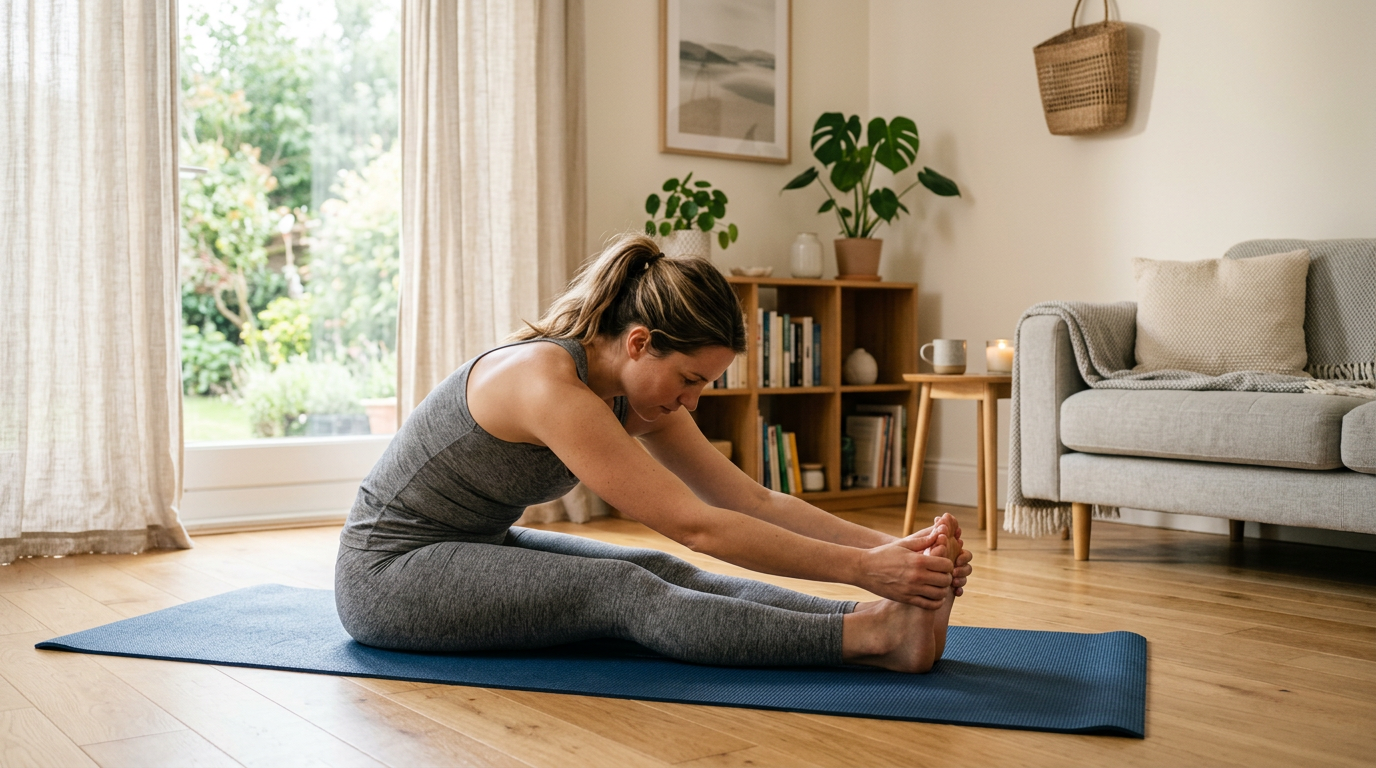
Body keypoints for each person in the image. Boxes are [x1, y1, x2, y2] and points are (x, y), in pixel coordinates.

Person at [335, 233, 974, 672]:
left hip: (471, 546)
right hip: (388, 576)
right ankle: (870, 637)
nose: (694, 401)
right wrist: (865, 567)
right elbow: (696, 525)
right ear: (639, 343)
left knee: (656, 568)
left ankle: (868, 616)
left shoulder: (638, 394)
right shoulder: (547, 383)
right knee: (622, 588)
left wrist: (890, 555)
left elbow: (748, 499)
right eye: (691, 380)